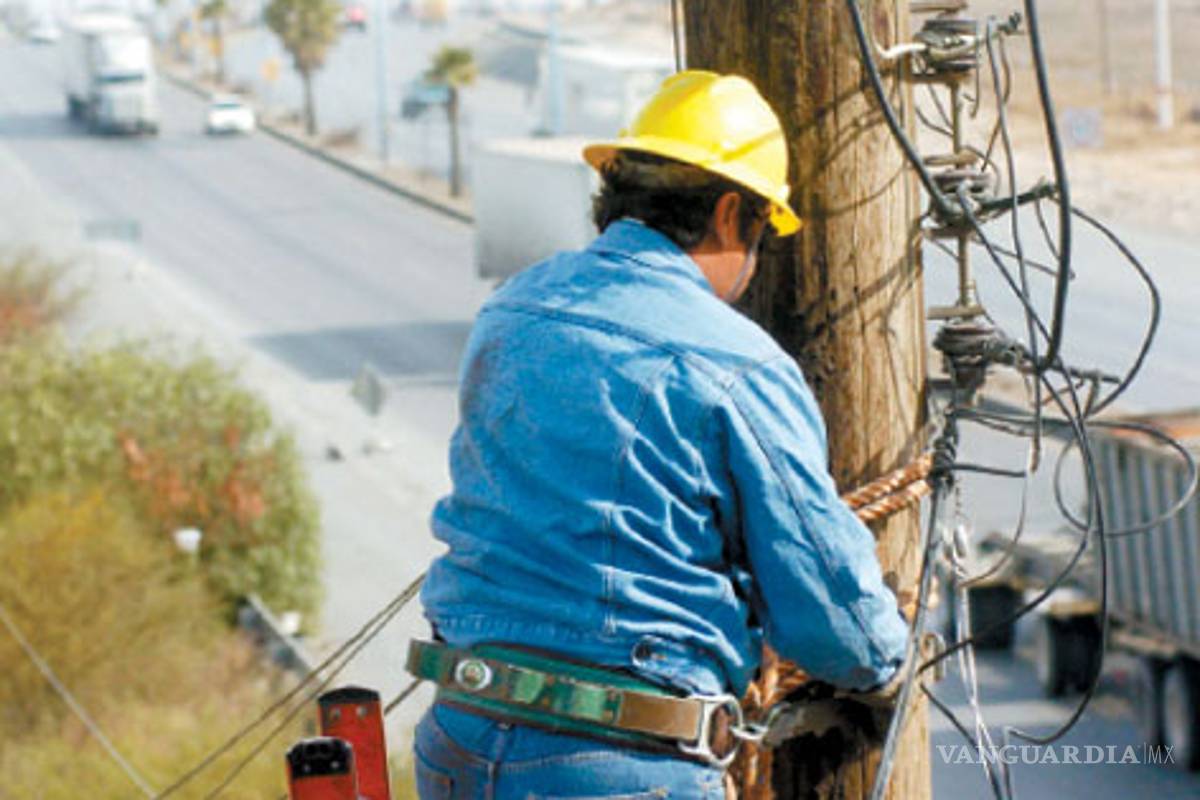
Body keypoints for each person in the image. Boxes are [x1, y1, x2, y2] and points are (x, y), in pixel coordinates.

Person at [407, 70, 909, 799]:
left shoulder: (513, 310)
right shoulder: (737, 363)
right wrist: (888, 657)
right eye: (762, 231)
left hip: (461, 737)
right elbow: (829, 620)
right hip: (620, 764)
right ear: (733, 212)